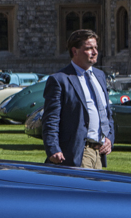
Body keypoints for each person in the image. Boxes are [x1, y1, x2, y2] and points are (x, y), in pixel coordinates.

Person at [43, 29, 115, 169]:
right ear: (75, 51)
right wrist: (53, 148)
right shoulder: (60, 80)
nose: (94, 52)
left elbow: (107, 113)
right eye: (89, 48)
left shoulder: (100, 76)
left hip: (98, 153)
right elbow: (51, 119)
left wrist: (109, 138)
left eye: (96, 48)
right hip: (78, 152)